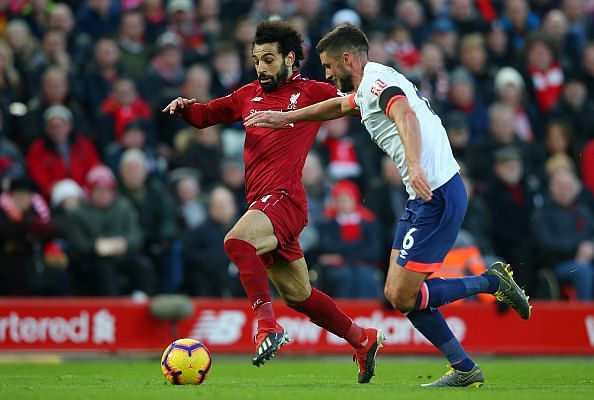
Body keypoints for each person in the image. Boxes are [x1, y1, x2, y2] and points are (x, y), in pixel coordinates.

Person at [245, 24, 532, 388]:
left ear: (348, 59)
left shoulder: (378, 84)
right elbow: (338, 105)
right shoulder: (367, 86)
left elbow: (404, 115)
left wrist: (414, 166)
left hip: (435, 193)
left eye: (330, 67)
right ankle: (465, 367)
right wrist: (286, 118)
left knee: (401, 295)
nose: (328, 75)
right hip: (426, 195)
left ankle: (490, 283)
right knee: (401, 295)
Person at [163, 20, 383, 383]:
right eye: (256, 60)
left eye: (269, 59)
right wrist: (187, 108)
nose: (261, 67)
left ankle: (266, 326)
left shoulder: (312, 92)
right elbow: (207, 116)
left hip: (285, 199)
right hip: (263, 204)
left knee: (236, 241)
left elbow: (354, 103)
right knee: (300, 296)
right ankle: (362, 339)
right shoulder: (247, 94)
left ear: (290, 59)